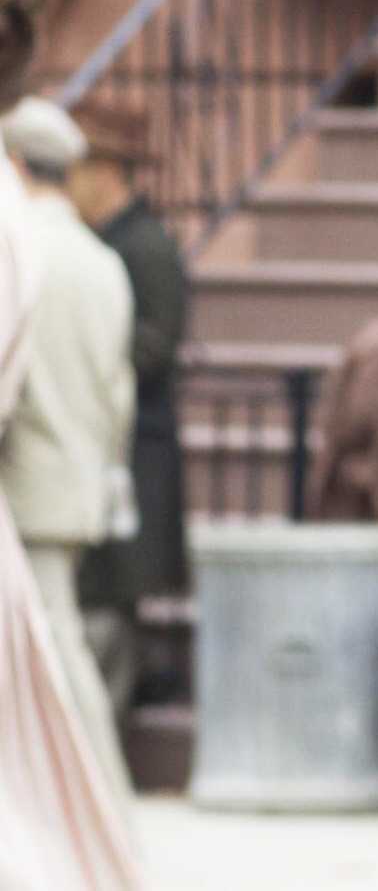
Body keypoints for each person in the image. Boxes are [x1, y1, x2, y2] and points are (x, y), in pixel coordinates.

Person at [0, 95, 142, 876]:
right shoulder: (102, 260)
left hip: (27, 482)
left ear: (17, 162)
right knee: (59, 647)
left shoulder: (22, 246)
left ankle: (99, 809)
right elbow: (119, 388)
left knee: (55, 656)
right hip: (79, 476)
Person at [70, 89, 189, 713]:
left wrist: (86, 357)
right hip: (111, 440)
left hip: (137, 443)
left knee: (115, 586)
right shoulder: (103, 239)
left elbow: (158, 343)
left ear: (106, 171)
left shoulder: (145, 244)